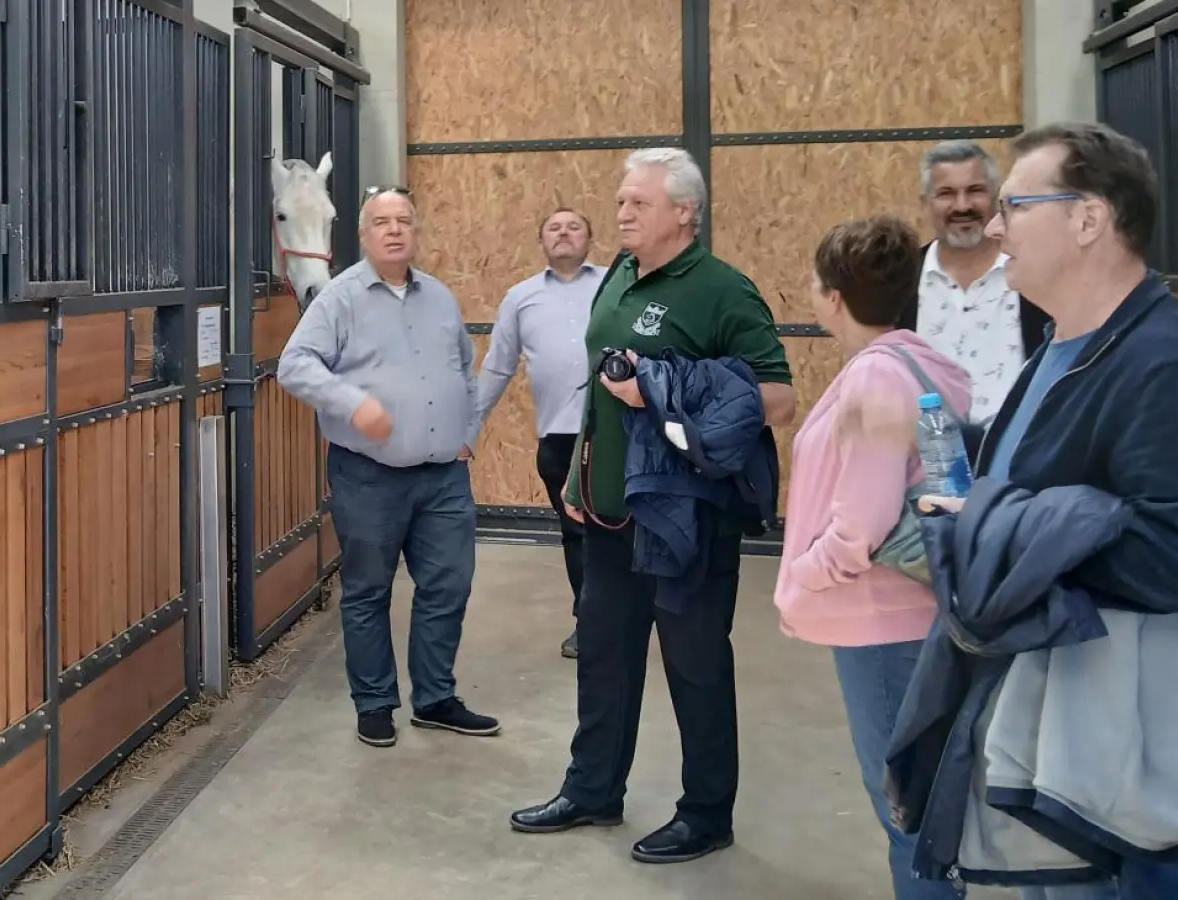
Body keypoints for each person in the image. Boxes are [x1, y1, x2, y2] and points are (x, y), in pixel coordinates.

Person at [852, 123, 1178, 900]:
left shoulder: (1161, 366)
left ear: (1087, 220)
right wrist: (956, 453)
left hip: (1103, 752)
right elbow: (1038, 465)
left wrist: (991, 522)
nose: (991, 225)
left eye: (1013, 205)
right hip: (1047, 721)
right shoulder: (1066, 343)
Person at [508, 147, 796, 864]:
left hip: (685, 521)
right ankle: (592, 788)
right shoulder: (619, 280)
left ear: (684, 213)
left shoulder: (723, 291)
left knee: (695, 664)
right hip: (608, 513)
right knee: (602, 656)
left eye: (638, 202)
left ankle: (705, 814)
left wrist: (665, 385)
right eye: (621, 201)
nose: (622, 213)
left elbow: (776, 400)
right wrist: (579, 478)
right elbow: (596, 392)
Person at [774, 214, 972, 900]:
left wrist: (805, 573)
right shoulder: (918, 363)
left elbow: (862, 520)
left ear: (832, 296)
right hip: (910, 615)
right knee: (920, 798)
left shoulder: (875, 379)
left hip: (882, 622)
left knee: (905, 810)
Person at [277, 186, 500, 749]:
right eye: (382, 221)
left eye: (404, 220)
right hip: (369, 476)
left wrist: (466, 434)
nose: (394, 229)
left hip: (444, 476)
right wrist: (354, 404)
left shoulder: (441, 299)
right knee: (369, 591)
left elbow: (464, 373)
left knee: (449, 585)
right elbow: (294, 365)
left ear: (417, 231)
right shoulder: (340, 298)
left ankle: (434, 698)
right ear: (363, 234)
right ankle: (375, 703)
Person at [475, 207, 607, 659]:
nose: (564, 233)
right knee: (579, 535)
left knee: (626, 533)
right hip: (560, 442)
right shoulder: (520, 297)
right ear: (542, 242)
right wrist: (468, 425)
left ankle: (623, 618)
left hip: (617, 434)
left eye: (575, 226)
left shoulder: (616, 286)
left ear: (590, 238)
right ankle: (590, 625)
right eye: (554, 227)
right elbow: (498, 365)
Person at [897, 140, 1049, 422]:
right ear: (925, 202)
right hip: (926, 461)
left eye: (975, 190)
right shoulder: (900, 281)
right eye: (946, 193)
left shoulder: (1035, 276)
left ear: (996, 196)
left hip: (1020, 460)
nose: (963, 205)